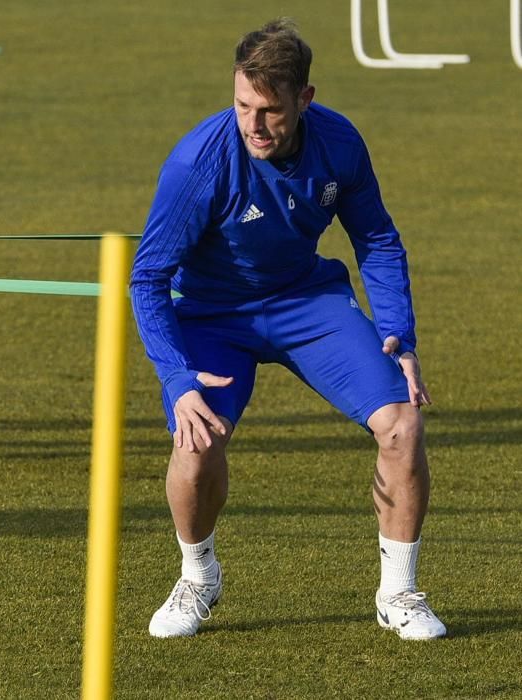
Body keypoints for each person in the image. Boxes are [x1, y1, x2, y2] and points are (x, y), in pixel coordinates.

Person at [130, 19, 445, 640]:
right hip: (213, 315)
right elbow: (147, 280)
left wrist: (398, 335)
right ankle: (198, 575)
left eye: (270, 110)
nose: (253, 124)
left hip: (307, 302)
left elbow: (376, 238)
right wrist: (176, 379)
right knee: (194, 446)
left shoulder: (339, 142)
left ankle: (399, 593)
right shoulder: (197, 163)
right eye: (243, 104)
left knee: (403, 424)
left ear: (305, 99)